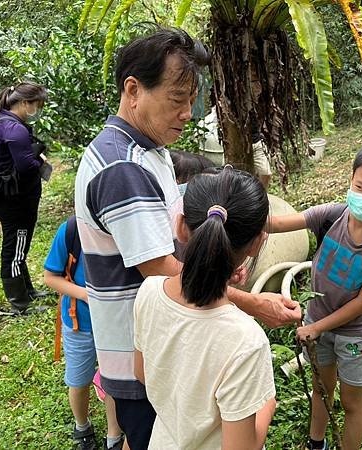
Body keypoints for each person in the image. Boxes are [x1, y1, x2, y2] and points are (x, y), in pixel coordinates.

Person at [74, 27, 299, 450]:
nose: (187, 114)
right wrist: (253, 303)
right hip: (149, 351)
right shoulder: (122, 169)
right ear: (133, 89)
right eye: (177, 100)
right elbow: (158, 268)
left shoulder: (147, 149)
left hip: (164, 344)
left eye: (191, 101)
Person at [269, 140, 362, 450]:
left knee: (352, 401)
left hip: (352, 335)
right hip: (316, 324)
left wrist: (317, 327)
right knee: (321, 387)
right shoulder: (331, 215)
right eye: (360, 187)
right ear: (350, 179)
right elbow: (277, 223)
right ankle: (316, 442)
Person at [134, 168, 276, 449]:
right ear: (258, 242)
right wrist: (267, 408)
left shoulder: (149, 291)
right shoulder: (246, 340)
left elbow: (142, 373)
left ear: (181, 227)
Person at [44, 217, 124, 450]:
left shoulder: (125, 228)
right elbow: (50, 277)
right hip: (80, 323)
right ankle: (82, 425)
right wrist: (86, 294)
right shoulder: (71, 231)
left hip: (116, 323)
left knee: (113, 380)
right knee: (79, 381)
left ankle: (114, 435)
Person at [0, 81, 50, 314]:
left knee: (18, 246)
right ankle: (20, 304)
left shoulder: (0, 121)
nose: (38, 110)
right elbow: (25, 167)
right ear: (24, 103)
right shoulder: (14, 129)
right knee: (15, 247)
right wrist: (39, 160)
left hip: (7, 197)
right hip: (16, 201)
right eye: (37, 105)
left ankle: (27, 291)